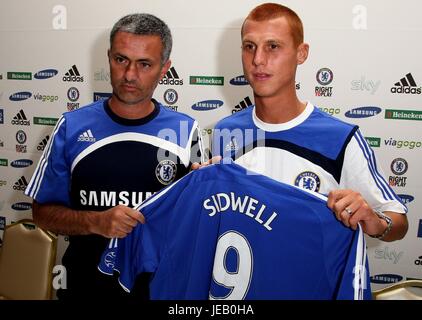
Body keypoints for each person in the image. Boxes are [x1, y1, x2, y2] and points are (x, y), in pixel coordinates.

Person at [25, 13, 203, 299]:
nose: (130, 75)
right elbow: (42, 214)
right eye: (121, 60)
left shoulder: (186, 130)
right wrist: (95, 222)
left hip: (158, 291)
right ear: (108, 57)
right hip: (84, 289)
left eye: (144, 64)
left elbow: (193, 224)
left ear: (164, 68)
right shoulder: (71, 127)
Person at [212, 3, 408, 241]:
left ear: (301, 53)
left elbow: (398, 221)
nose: (258, 60)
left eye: (272, 46)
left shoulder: (340, 138)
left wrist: (376, 222)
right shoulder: (225, 130)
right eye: (249, 46)